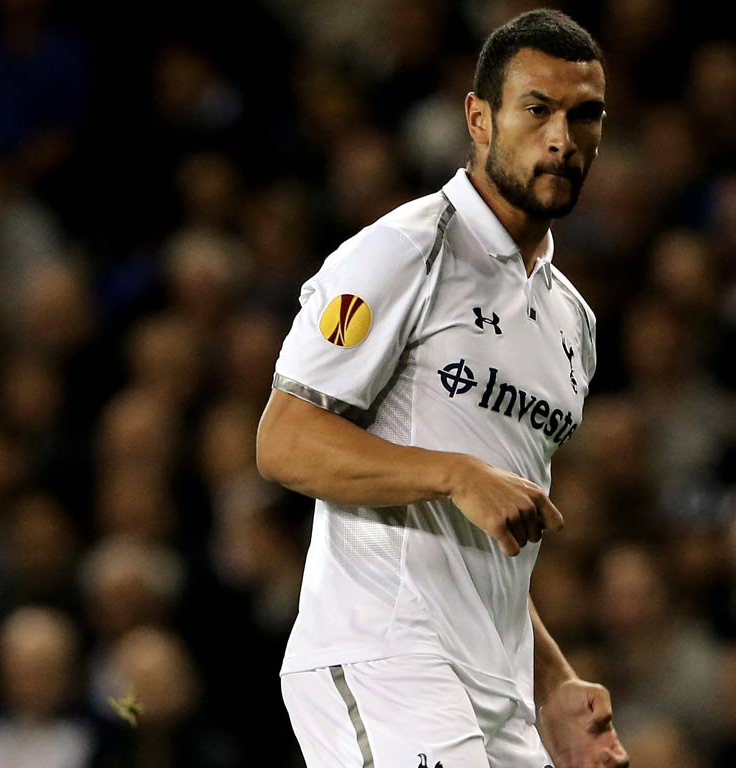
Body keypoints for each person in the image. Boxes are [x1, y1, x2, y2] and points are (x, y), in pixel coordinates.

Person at [256, 9, 628, 768]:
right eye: (537, 109)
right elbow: (283, 441)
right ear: (480, 118)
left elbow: (485, 531)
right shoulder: (404, 252)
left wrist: (551, 679)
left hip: (496, 687)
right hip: (386, 656)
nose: (562, 137)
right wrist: (453, 474)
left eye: (583, 115)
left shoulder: (571, 322)